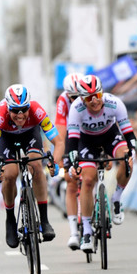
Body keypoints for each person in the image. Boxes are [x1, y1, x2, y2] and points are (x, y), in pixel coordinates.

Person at [0, 84, 64, 248]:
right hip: (6, 139)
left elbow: (59, 142)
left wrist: (54, 161)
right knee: (10, 174)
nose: (20, 115)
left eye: (23, 109)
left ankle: (44, 220)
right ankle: (10, 219)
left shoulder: (37, 111)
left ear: (29, 106)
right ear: (7, 107)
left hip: (30, 134)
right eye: (15, 110)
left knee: (35, 164)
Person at [67, 74, 136, 253]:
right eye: (89, 98)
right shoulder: (76, 108)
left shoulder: (115, 103)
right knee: (88, 180)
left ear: (102, 93)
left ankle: (116, 199)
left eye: (97, 96)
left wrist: (132, 151)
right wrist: (74, 161)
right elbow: (72, 140)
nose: (94, 101)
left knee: (126, 158)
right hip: (86, 141)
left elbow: (128, 132)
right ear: (82, 98)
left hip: (110, 136)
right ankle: (87, 231)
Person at [55, 73, 84, 250]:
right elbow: (60, 130)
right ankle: (74, 231)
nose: (76, 100)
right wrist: (60, 156)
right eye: (72, 97)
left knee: (92, 174)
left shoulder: (91, 97)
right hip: (71, 135)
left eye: (78, 96)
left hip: (89, 133)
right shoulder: (63, 101)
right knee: (70, 181)